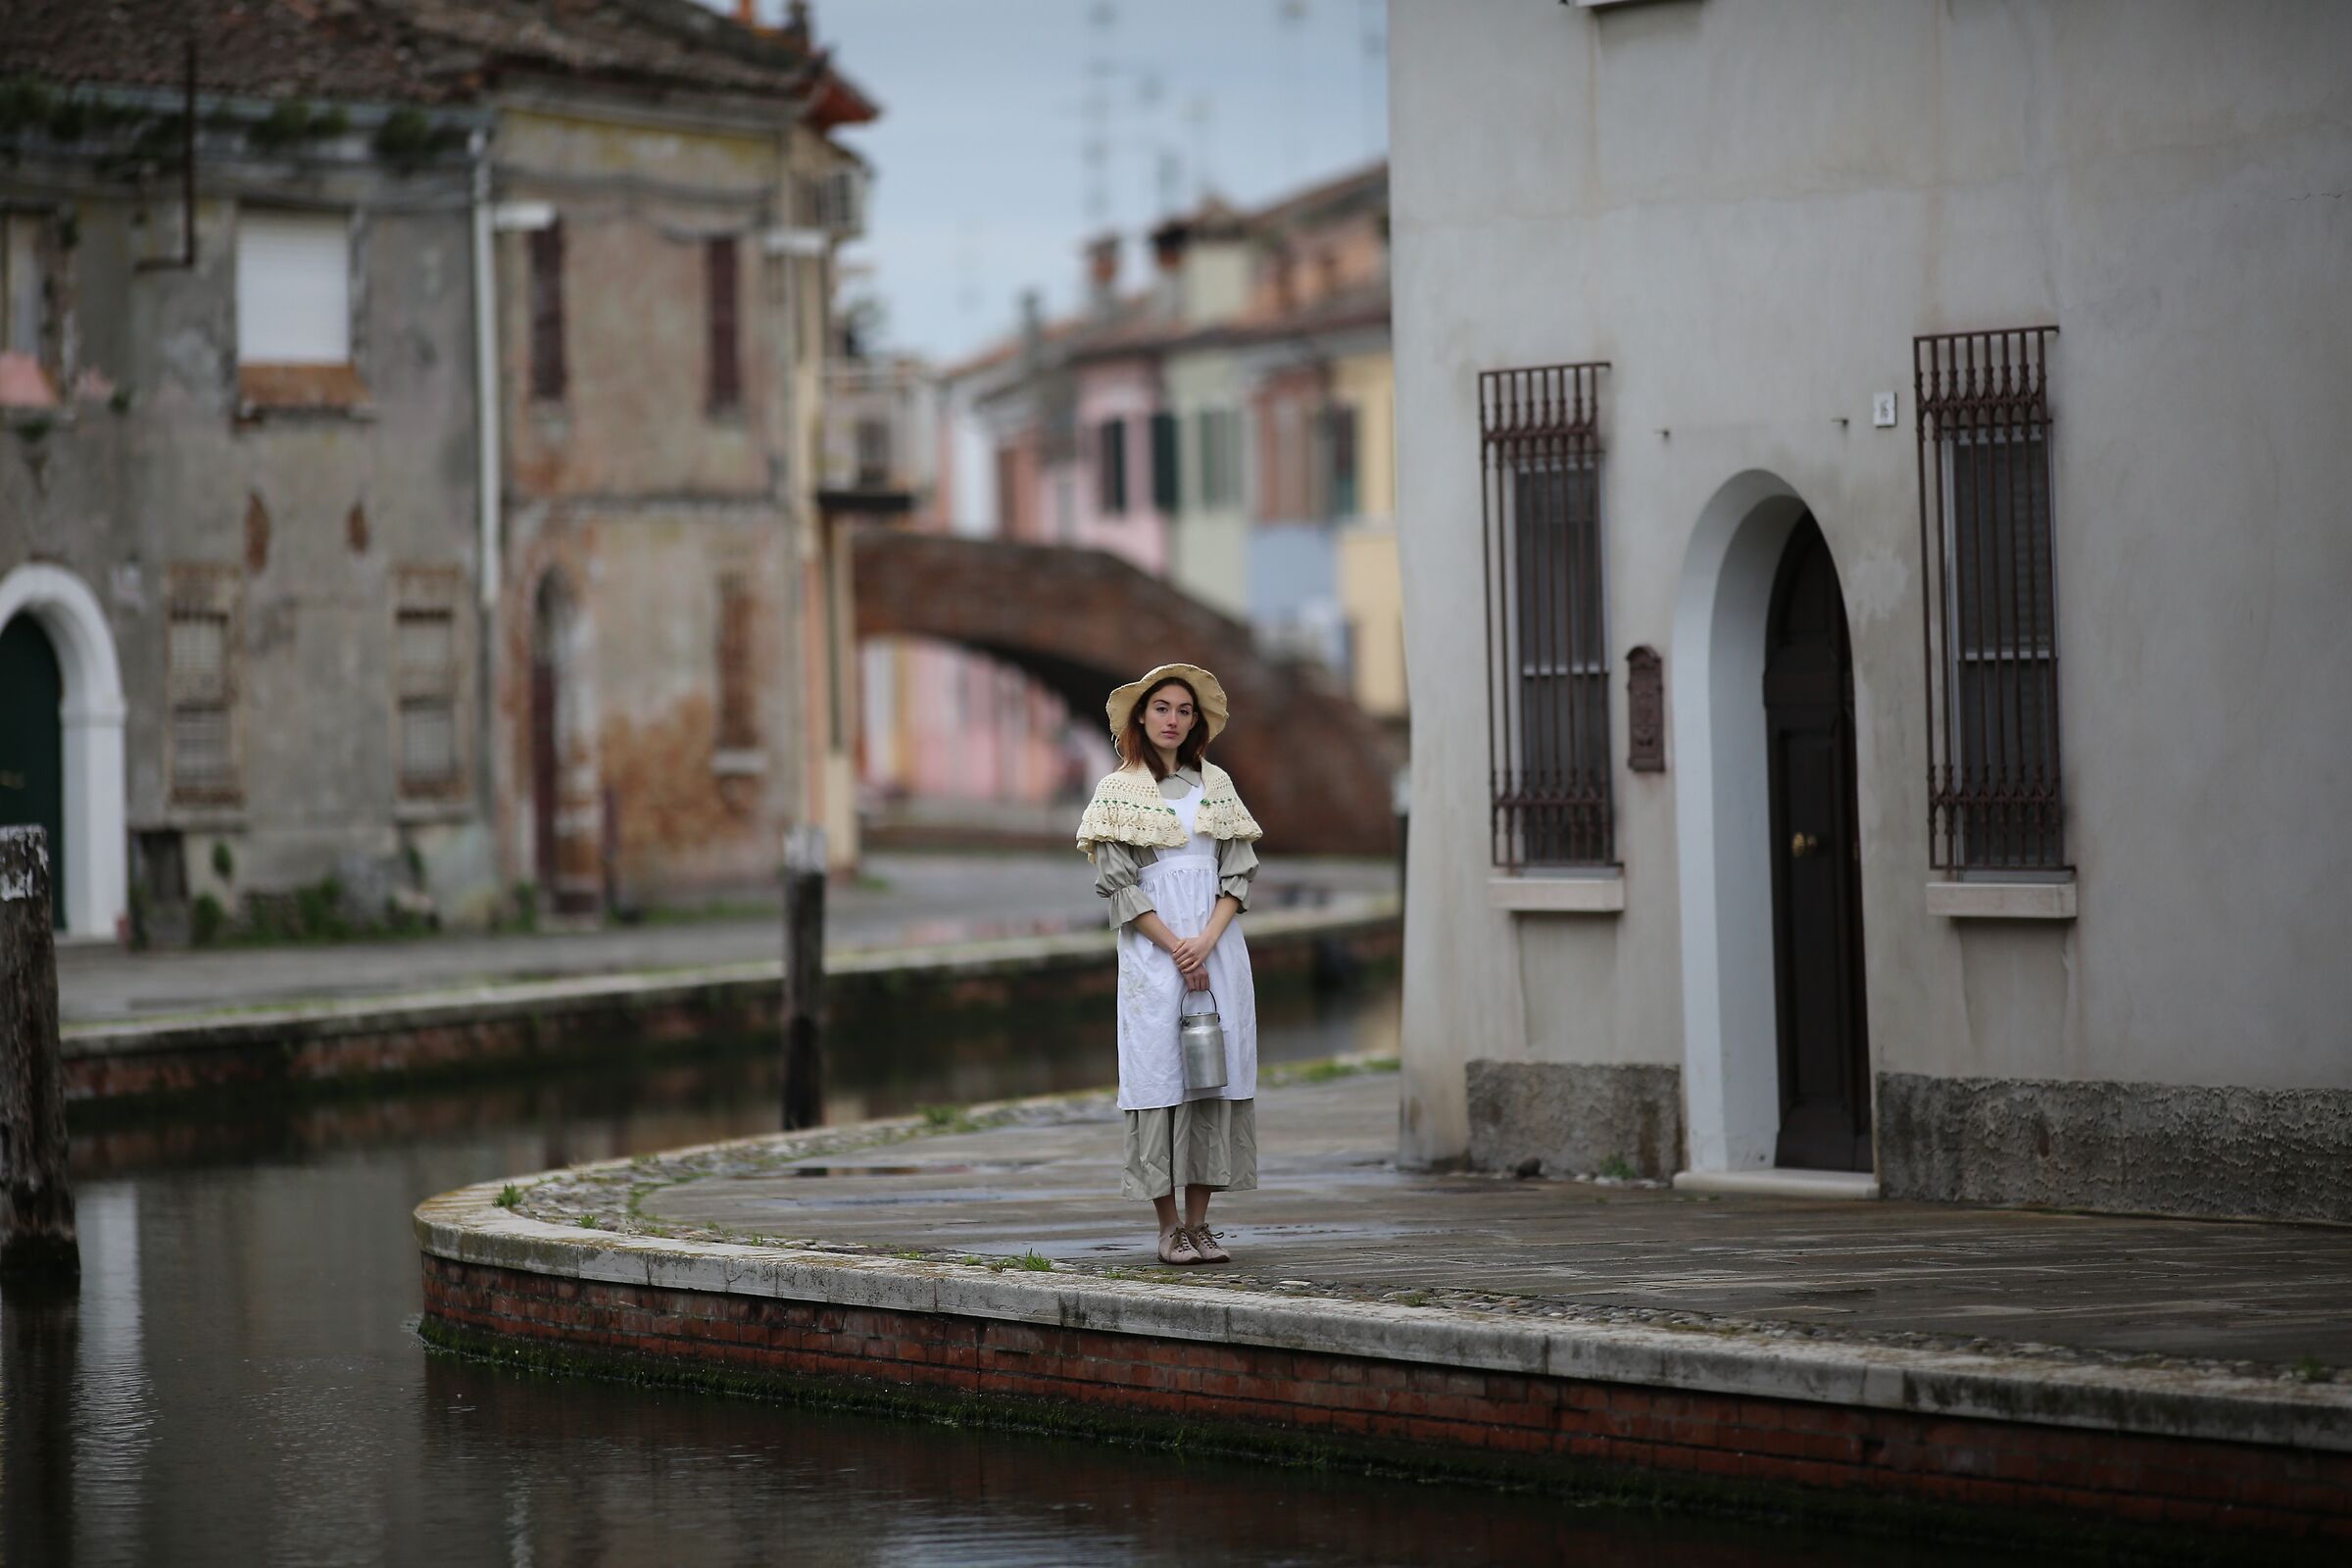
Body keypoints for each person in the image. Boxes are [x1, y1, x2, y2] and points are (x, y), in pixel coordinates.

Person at [1075, 662, 1263, 1266]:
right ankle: (1168, 1228)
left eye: (1184, 711)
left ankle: (1202, 1223)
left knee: (1213, 1076)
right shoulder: (1117, 791)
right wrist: (1176, 948)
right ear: (1141, 716)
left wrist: (1206, 941)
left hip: (1219, 948)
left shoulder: (1218, 785)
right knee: (1159, 1078)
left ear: (1196, 721)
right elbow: (1119, 885)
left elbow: (1238, 874)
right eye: (1162, 708)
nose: (1173, 720)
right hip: (1153, 955)